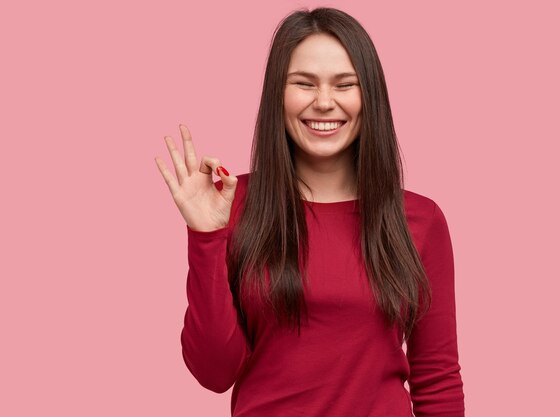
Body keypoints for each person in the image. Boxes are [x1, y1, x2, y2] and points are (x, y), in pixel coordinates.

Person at [155, 6, 465, 417]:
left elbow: (437, 379)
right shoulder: (231, 203)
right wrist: (206, 236)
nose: (323, 102)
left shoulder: (420, 221)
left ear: (368, 95)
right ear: (277, 95)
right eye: (303, 83)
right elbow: (214, 372)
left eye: (344, 85)